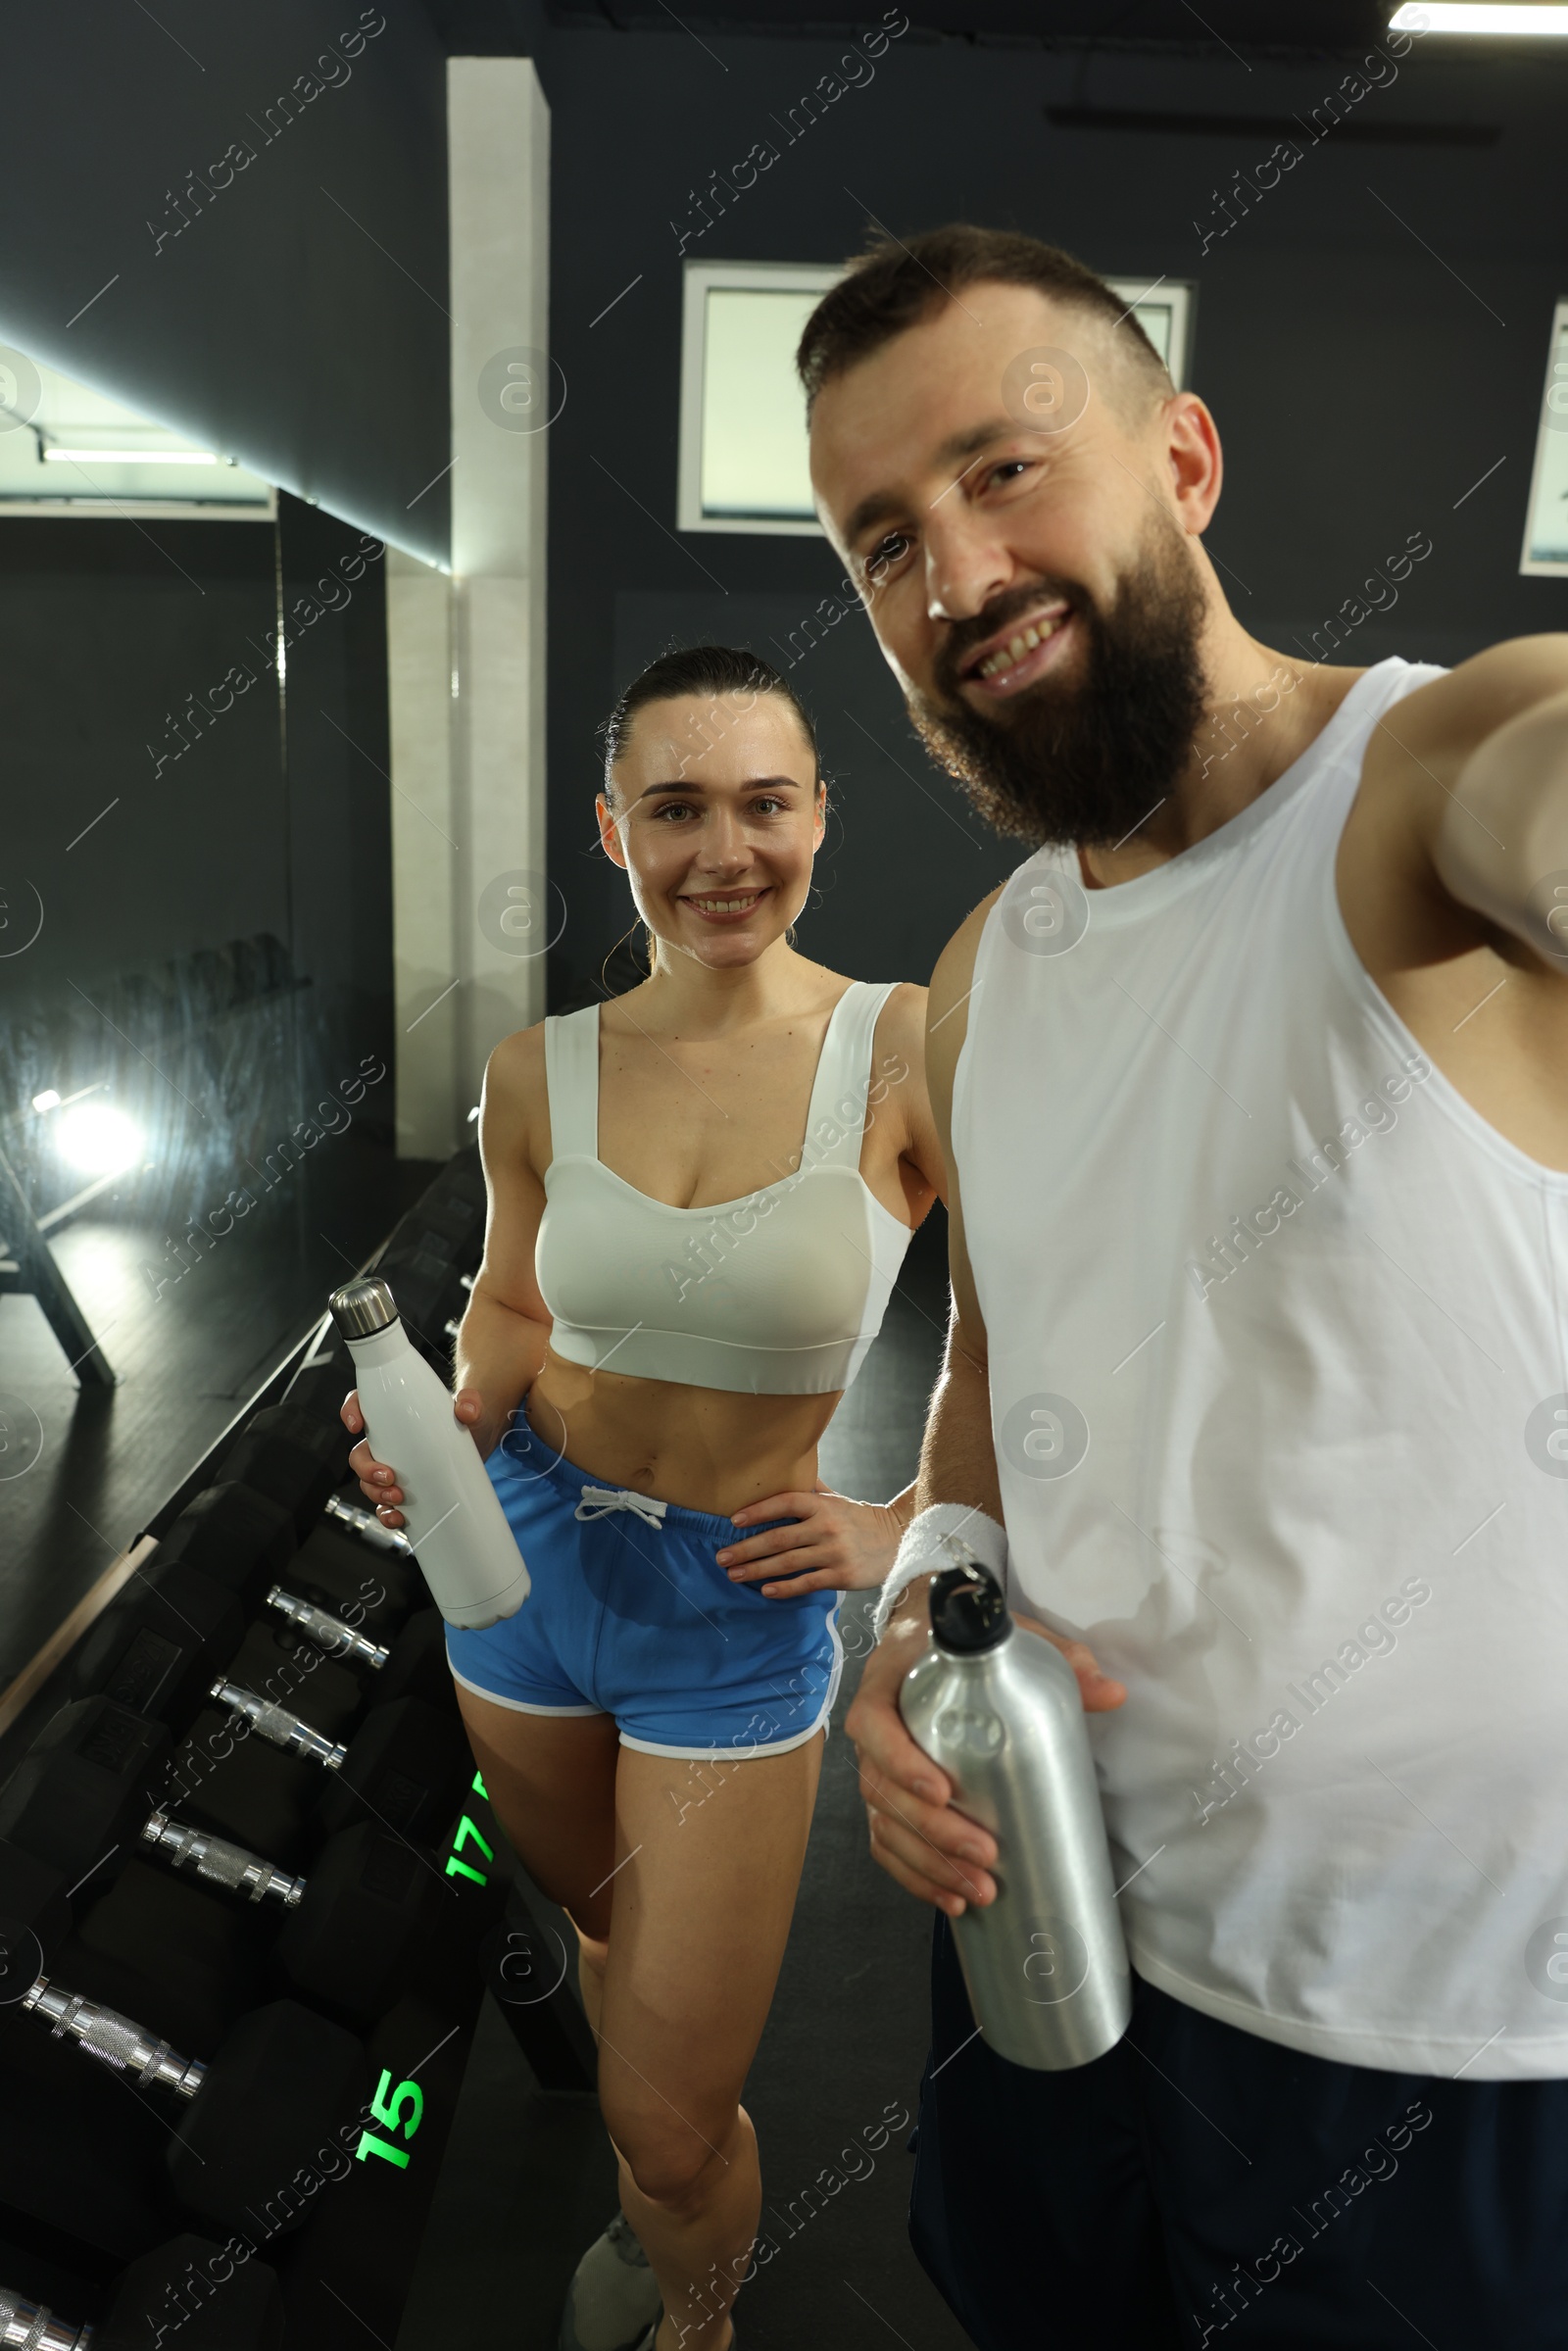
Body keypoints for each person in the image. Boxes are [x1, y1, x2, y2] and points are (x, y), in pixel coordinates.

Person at [796, 224, 1568, 2346]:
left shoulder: (1424, 793)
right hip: (1051, 1942)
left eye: (1002, 470)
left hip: (1433, 2032)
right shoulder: (978, 972)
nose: (953, 576)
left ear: (1187, 460)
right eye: (881, 542)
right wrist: (916, 1611)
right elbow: (983, 1370)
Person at [342, 643, 945, 2351]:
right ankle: (647, 2194)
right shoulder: (540, 1070)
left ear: (821, 812)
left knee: (676, 2124)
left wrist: (905, 1524)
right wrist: (448, 1423)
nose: (723, 852)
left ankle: (698, 2313)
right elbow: (521, 1304)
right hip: (521, 1572)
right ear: (613, 832)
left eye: (765, 803)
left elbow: (1038, 1332)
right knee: (606, 1930)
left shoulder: (903, 1050)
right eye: (674, 809)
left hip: (734, 1609)